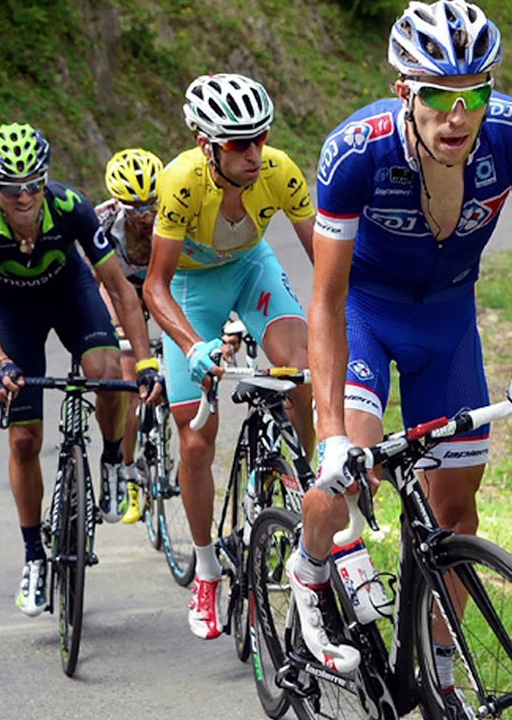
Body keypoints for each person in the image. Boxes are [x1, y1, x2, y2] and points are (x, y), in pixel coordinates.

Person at [298, 0, 512, 713]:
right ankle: (310, 572)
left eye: (473, 94)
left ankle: (441, 668)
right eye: (439, 97)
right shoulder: (356, 152)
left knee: (457, 517)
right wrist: (326, 435)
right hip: (366, 317)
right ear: (404, 94)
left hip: (448, 322)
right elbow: (324, 300)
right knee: (345, 478)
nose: (458, 116)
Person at [0, 123, 163, 617]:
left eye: (33, 183)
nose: (25, 196)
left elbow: (119, 290)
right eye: (12, 187)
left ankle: (113, 458)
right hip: (15, 314)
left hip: (71, 295)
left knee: (106, 367)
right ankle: (34, 557)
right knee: (24, 441)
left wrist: (149, 362)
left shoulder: (70, 207)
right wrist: (0, 362)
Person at [142, 73, 316, 640]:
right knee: (196, 438)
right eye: (239, 144)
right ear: (206, 145)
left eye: (260, 138)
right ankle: (208, 567)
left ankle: (303, 491)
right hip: (192, 289)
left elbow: (329, 263)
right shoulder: (180, 182)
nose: (254, 152)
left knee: (302, 373)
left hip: (251, 270)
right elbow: (155, 286)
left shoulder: (279, 170)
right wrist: (192, 346)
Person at [92, 147, 164, 525]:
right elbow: (95, 282)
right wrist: (111, 330)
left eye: (151, 204)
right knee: (129, 380)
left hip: (160, 285)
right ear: (119, 204)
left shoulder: (172, 210)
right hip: (118, 289)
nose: (146, 216)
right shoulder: (101, 221)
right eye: (135, 209)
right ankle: (129, 470)